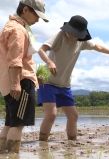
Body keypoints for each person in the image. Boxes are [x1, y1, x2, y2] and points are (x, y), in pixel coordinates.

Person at [37, 15, 109, 141]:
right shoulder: (60, 36)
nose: (73, 36)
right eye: (72, 32)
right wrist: (49, 62)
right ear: (67, 29)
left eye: (77, 34)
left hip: (64, 85)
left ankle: (72, 142)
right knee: (51, 114)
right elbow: (41, 50)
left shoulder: (81, 42)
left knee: (73, 115)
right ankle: (43, 143)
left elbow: (97, 47)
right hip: (48, 82)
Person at [0, 0, 48, 153]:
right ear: (26, 10)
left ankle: (3, 153)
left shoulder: (9, 26)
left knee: (10, 122)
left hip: (8, 80)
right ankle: (13, 155)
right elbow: (15, 59)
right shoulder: (19, 30)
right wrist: (16, 83)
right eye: (37, 15)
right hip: (21, 81)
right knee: (18, 124)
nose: (38, 20)